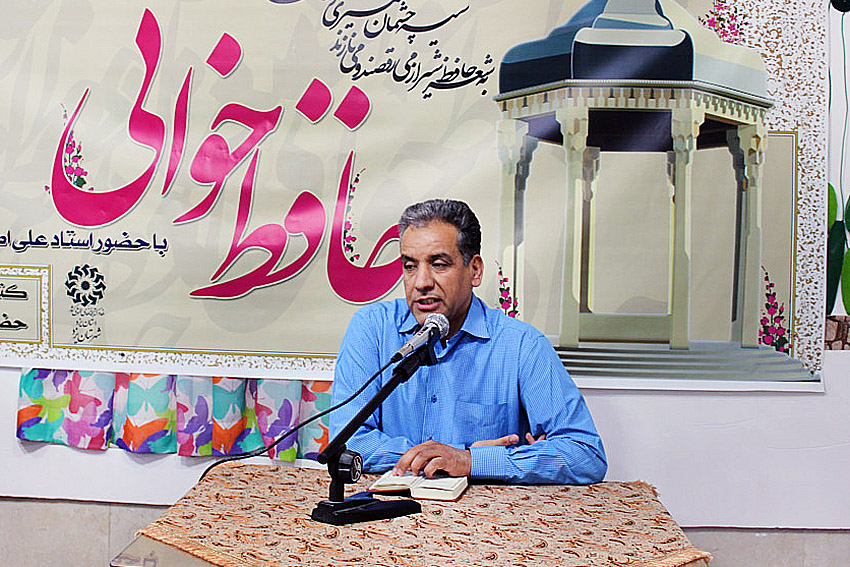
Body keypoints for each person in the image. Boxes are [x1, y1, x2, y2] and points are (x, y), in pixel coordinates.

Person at [329, 199, 606, 484]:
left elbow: (585, 454)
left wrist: (470, 461)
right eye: (410, 266)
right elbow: (347, 441)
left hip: (488, 511)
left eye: (439, 264)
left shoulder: (522, 345)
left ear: (474, 270)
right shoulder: (372, 329)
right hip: (391, 507)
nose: (421, 282)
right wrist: (456, 455)